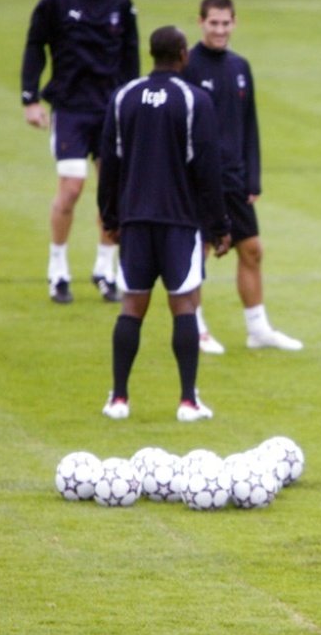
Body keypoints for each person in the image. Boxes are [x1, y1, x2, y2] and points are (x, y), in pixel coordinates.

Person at [97, 26, 231, 423]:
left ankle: (118, 399)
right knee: (184, 305)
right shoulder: (195, 100)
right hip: (180, 222)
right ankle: (188, 401)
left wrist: (110, 217)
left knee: (132, 306)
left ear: (150, 54)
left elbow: (110, 164)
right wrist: (219, 225)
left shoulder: (124, 97)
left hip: (135, 220)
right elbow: (208, 168)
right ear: (183, 55)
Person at [181, 0, 303, 354]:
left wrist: (253, 177)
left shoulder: (239, 66)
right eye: (213, 23)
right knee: (198, 252)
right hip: (199, 180)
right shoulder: (188, 65)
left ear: (234, 23)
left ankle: (257, 328)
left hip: (234, 179)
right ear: (201, 22)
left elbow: (248, 124)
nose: (219, 29)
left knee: (251, 249)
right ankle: (196, 328)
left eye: (225, 23)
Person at [21, 0, 139, 304]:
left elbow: (131, 55)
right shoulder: (56, 0)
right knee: (71, 188)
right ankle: (58, 268)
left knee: (113, 192)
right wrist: (31, 98)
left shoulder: (121, 0)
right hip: (71, 109)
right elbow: (34, 46)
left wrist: (133, 103)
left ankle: (105, 269)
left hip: (111, 111)